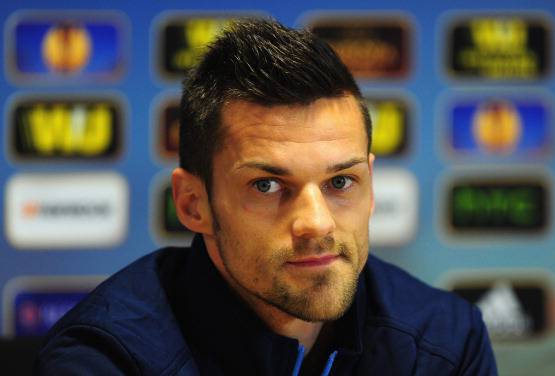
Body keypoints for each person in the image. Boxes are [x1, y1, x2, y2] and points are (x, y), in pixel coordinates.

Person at [36, 19, 497, 375]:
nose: (316, 223)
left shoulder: (444, 342)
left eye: (340, 183)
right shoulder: (106, 358)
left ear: (370, 185)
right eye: (267, 185)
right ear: (193, 204)